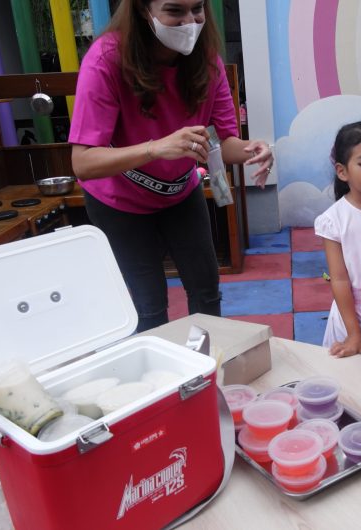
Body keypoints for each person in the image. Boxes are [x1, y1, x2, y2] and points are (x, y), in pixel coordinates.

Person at [69, 0, 273, 332]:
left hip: (180, 192)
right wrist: (156, 148)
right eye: (175, 11)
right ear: (142, 11)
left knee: (206, 292)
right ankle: (162, 380)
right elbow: (83, 162)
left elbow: (224, 143)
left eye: (197, 9)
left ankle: (208, 371)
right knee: (149, 306)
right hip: (119, 202)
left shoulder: (208, 62)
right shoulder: (106, 59)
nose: (190, 22)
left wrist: (255, 149)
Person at [314, 120, 361, 358]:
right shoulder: (334, 219)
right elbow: (338, 279)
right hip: (351, 316)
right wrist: (354, 333)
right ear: (342, 171)